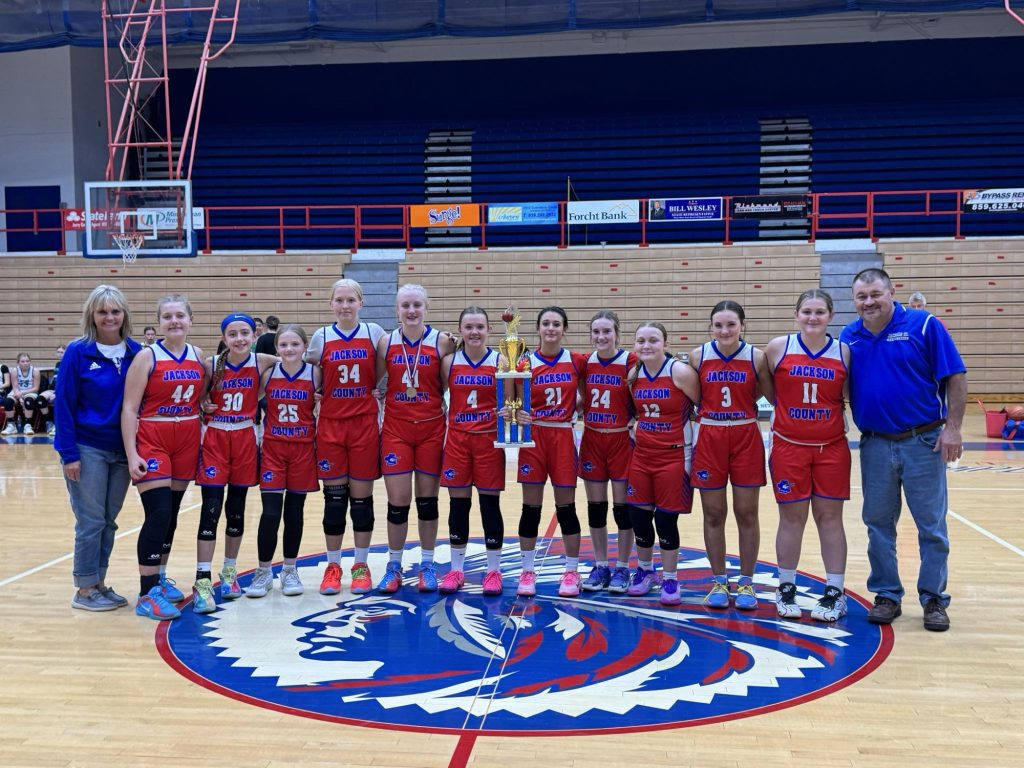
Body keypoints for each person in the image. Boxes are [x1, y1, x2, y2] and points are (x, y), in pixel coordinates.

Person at [841, 268, 966, 632]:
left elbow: (956, 375)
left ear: (891, 292)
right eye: (862, 296)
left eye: (875, 294)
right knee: (878, 525)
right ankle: (886, 595)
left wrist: (953, 428)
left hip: (923, 441)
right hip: (875, 443)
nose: (869, 302)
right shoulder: (849, 336)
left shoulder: (924, 325)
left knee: (931, 526)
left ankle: (933, 599)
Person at [765, 290, 852, 622]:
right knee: (791, 518)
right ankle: (786, 586)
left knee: (830, 518)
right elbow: (767, 389)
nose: (813, 318)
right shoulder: (778, 348)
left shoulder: (844, 351)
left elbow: (848, 394)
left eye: (819, 312)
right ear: (796, 315)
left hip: (831, 448)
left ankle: (835, 591)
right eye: (806, 311)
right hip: (788, 446)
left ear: (831, 316)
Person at [56, 285, 143, 611]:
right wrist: (69, 454)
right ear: (92, 315)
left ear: (124, 315)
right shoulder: (78, 352)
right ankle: (84, 589)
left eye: (115, 311)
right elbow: (63, 405)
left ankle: (99, 583)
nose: (109, 317)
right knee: (91, 521)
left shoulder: (137, 352)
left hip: (122, 450)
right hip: (87, 447)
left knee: (109, 522)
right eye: (103, 311)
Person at [122, 294, 206, 621]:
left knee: (171, 514)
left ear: (190, 321)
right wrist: (132, 454)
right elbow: (129, 409)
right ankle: (147, 593)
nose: (174, 321)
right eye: (167, 316)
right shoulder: (147, 356)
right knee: (157, 513)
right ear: (159, 323)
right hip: (153, 438)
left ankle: (159, 577)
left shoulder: (198, 355)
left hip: (186, 438)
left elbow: (203, 397)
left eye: (180, 316)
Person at [689, 301, 772, 610]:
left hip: (745, 434)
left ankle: (747, 582)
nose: (724, 331)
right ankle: (719, 581)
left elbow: (765, 394)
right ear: (711, 327)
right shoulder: (698, 356)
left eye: (731, 324)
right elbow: (695, 396)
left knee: (747, 513)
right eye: (718, 325)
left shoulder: (756, 357)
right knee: (713, 513)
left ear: (742, 326)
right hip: (710, 435)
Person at [191, 313, 277, 613]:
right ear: (224, 338)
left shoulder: (262, 361)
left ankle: (229, 572)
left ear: (255, 335)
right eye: (232, 334)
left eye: (245, 333)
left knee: (236, 511)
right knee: (211, 510)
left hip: (244, 438)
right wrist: (204, 403)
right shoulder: (211, 364)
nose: (239, 339)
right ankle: (202, 579)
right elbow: (199, 398)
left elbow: (296, 363)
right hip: (215, 438)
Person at [306, 278, 387, 595]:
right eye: (339, 300)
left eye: (350, 300)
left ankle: (361, 565)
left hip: (364, 425)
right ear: (331, 304)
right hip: (330, 426)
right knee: (335, 501)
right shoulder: (321, 337)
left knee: (362, 502)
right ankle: (333, 566)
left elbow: (394, 361)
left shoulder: (374, 333)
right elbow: (308, 375)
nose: (344, 305)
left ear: (361, 303)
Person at [375, 283, 456, 593]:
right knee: (398, 503)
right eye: (405, 305)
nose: (411, 311)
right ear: (397, 309)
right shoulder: (386, 342)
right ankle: (394, 566)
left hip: (431, 429)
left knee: (427, 503)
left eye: (417, 305)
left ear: (426, 308)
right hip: (396, 430)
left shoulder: (443, 342)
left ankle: (427, 564)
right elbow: (374, 381)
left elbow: (450, 384)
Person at [514, 306, 588, 598]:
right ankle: (527, 570)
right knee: (530, 509)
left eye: (557, 324)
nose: (551, 328)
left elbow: (587, 393)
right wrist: (517, 414)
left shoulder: (576, 361)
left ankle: (571, 571)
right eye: (546, 323)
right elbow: (513, 402)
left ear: (564, 329)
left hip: (562, 436)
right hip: (534, 437)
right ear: (538, 328)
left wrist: (575, 409)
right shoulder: (524, 363)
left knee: (566, 508)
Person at [624, 322, 700, 604]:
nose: (646, 345)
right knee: (639, 517)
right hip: (643, 455)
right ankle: (645, 571)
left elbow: (702, 406)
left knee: (666, 520)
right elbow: (636, 412)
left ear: (665, 343)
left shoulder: (679, 372)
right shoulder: (634, 375)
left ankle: (670, 578)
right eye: (641, 340)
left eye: (653, 340)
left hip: (675, 455)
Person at [247, 324, 321, 598]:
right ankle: (264, 571)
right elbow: (249, 401)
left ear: (305, 347)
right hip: (273, 450)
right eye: (284, 345)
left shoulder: (315, 373)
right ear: (276, 348)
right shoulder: (268, 374)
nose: (289, 349)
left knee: (294, 513)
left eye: (295, 344)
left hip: (303, 450)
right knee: (270, 513)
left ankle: (290, 569)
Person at [438, 306, 507, 595]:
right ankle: (456, 570)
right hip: (458, 440)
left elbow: (511, 401)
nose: (474, 332)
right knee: (458, 506)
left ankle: (493, 571)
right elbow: (436, 393)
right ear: (461, 330)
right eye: (469, 327)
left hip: (488, 442)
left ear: (489, 329)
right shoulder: (449, 362)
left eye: (480, 326)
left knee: (489, 505)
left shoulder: (500, 360)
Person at [578, 310, 636, 593]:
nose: (601, 337)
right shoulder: (584, 362)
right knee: (596, 508)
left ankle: (623, 567)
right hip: (592, 439)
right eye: (596, 332)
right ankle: (601, 565)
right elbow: (579, 395)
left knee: (623, 510)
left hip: (621, 440)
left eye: (607, 331)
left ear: (617, 334)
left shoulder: (630, 361)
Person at [3, 353, 41, 435]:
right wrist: (20, 399)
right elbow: (15, 387)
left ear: (30, 361)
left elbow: (36, 388)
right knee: (7, 401)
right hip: (17, 391)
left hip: (30, 391)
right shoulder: (14, 371)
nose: (25, 363)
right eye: (23, 361)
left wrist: (22, 394)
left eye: (27, 361)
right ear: (18, 362)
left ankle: (28, 425)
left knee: (28, 401)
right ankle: (11, 426)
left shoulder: (35, 371)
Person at [38, 343, 64, 436]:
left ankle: (58, 426)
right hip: (53, 388)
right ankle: (49, 422)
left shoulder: (69, 363)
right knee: (40, 399)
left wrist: (57, 393)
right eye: (58, 352)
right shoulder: (58, 364)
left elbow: (65, 381)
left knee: (58, 400)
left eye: (62, 352)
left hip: (62, 389)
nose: (60, 354)